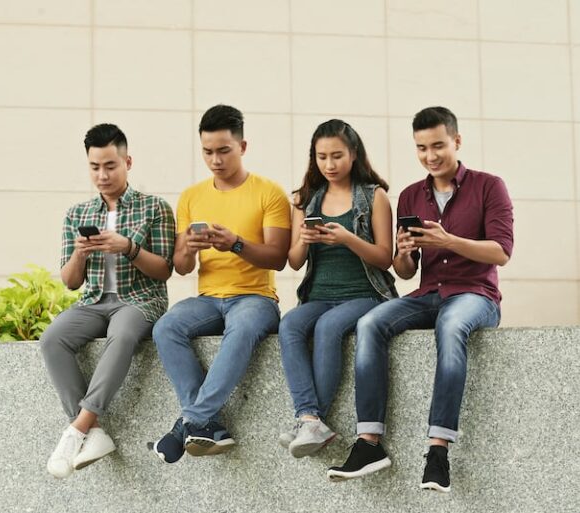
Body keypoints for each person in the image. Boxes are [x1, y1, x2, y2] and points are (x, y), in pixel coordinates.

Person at [327, 106, 514, 492]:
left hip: (475, 294)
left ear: (456, 141)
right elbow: (405, 272)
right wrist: (405, 251)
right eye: (422, 148)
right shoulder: (412, 195)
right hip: (428, 293)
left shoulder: (489, 186)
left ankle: (438, 449)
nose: (431, 156)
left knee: (450, 327)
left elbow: (501, 252)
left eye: (438, 146)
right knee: (370, 323)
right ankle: (369, 442)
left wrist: (449, 241)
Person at [150, 104, 291, 464]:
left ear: (243, 147)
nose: (215, 160)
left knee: (242, 328)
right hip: (208, 299)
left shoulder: (269, 193)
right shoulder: (192, 197)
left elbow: (278, 257)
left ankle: (190, 422)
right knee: (166, 327)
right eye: (207, 152)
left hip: (255, 298)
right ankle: (205, 423)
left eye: (223, 150)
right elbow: (181, 267)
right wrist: (189, 249)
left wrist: (236, 244)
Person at [39, 123, 175, 478]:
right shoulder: (77, 215)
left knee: (124, 333)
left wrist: (128, 248)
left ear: (128, 162)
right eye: (95, 167)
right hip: (94, 301)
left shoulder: (154, 208)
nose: (102, 174)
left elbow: (164, 270)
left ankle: (78, 428)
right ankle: (93, 432)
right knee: (53, 339)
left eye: (110, 165)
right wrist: (81, 255)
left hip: (140, 299)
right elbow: (70, 282)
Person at [278, 119, 397, 458]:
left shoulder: (374, 196)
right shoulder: (305, 199)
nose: (329, 165)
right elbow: (295, 262)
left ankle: (311, 420)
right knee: (290, 325)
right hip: (318, 295)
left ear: (354, 154)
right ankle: (309, 417)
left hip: (365, 294)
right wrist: (303, 237)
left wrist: (347, 238)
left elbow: (384, 258)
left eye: (337, 156)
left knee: (329, 327)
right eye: (321, 157)